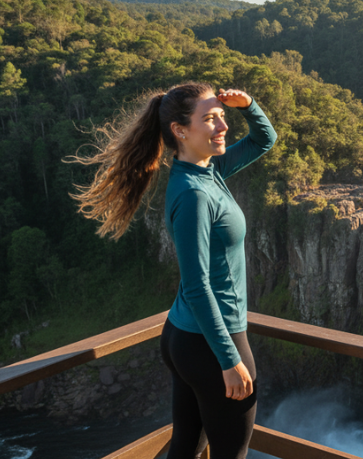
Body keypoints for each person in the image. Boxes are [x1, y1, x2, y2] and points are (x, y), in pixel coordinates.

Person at [70, 82, 277, 458]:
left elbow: (264, 140)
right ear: (181, 131)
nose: (222, 126)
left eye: (222, 117)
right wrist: (229, 360)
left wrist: (248, 105)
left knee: (186, 448)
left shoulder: (206, 171)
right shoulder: (195, 195)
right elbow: (197, 285)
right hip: (213, 342)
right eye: (210, 119)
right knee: (230, 453)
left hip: (185, 335)